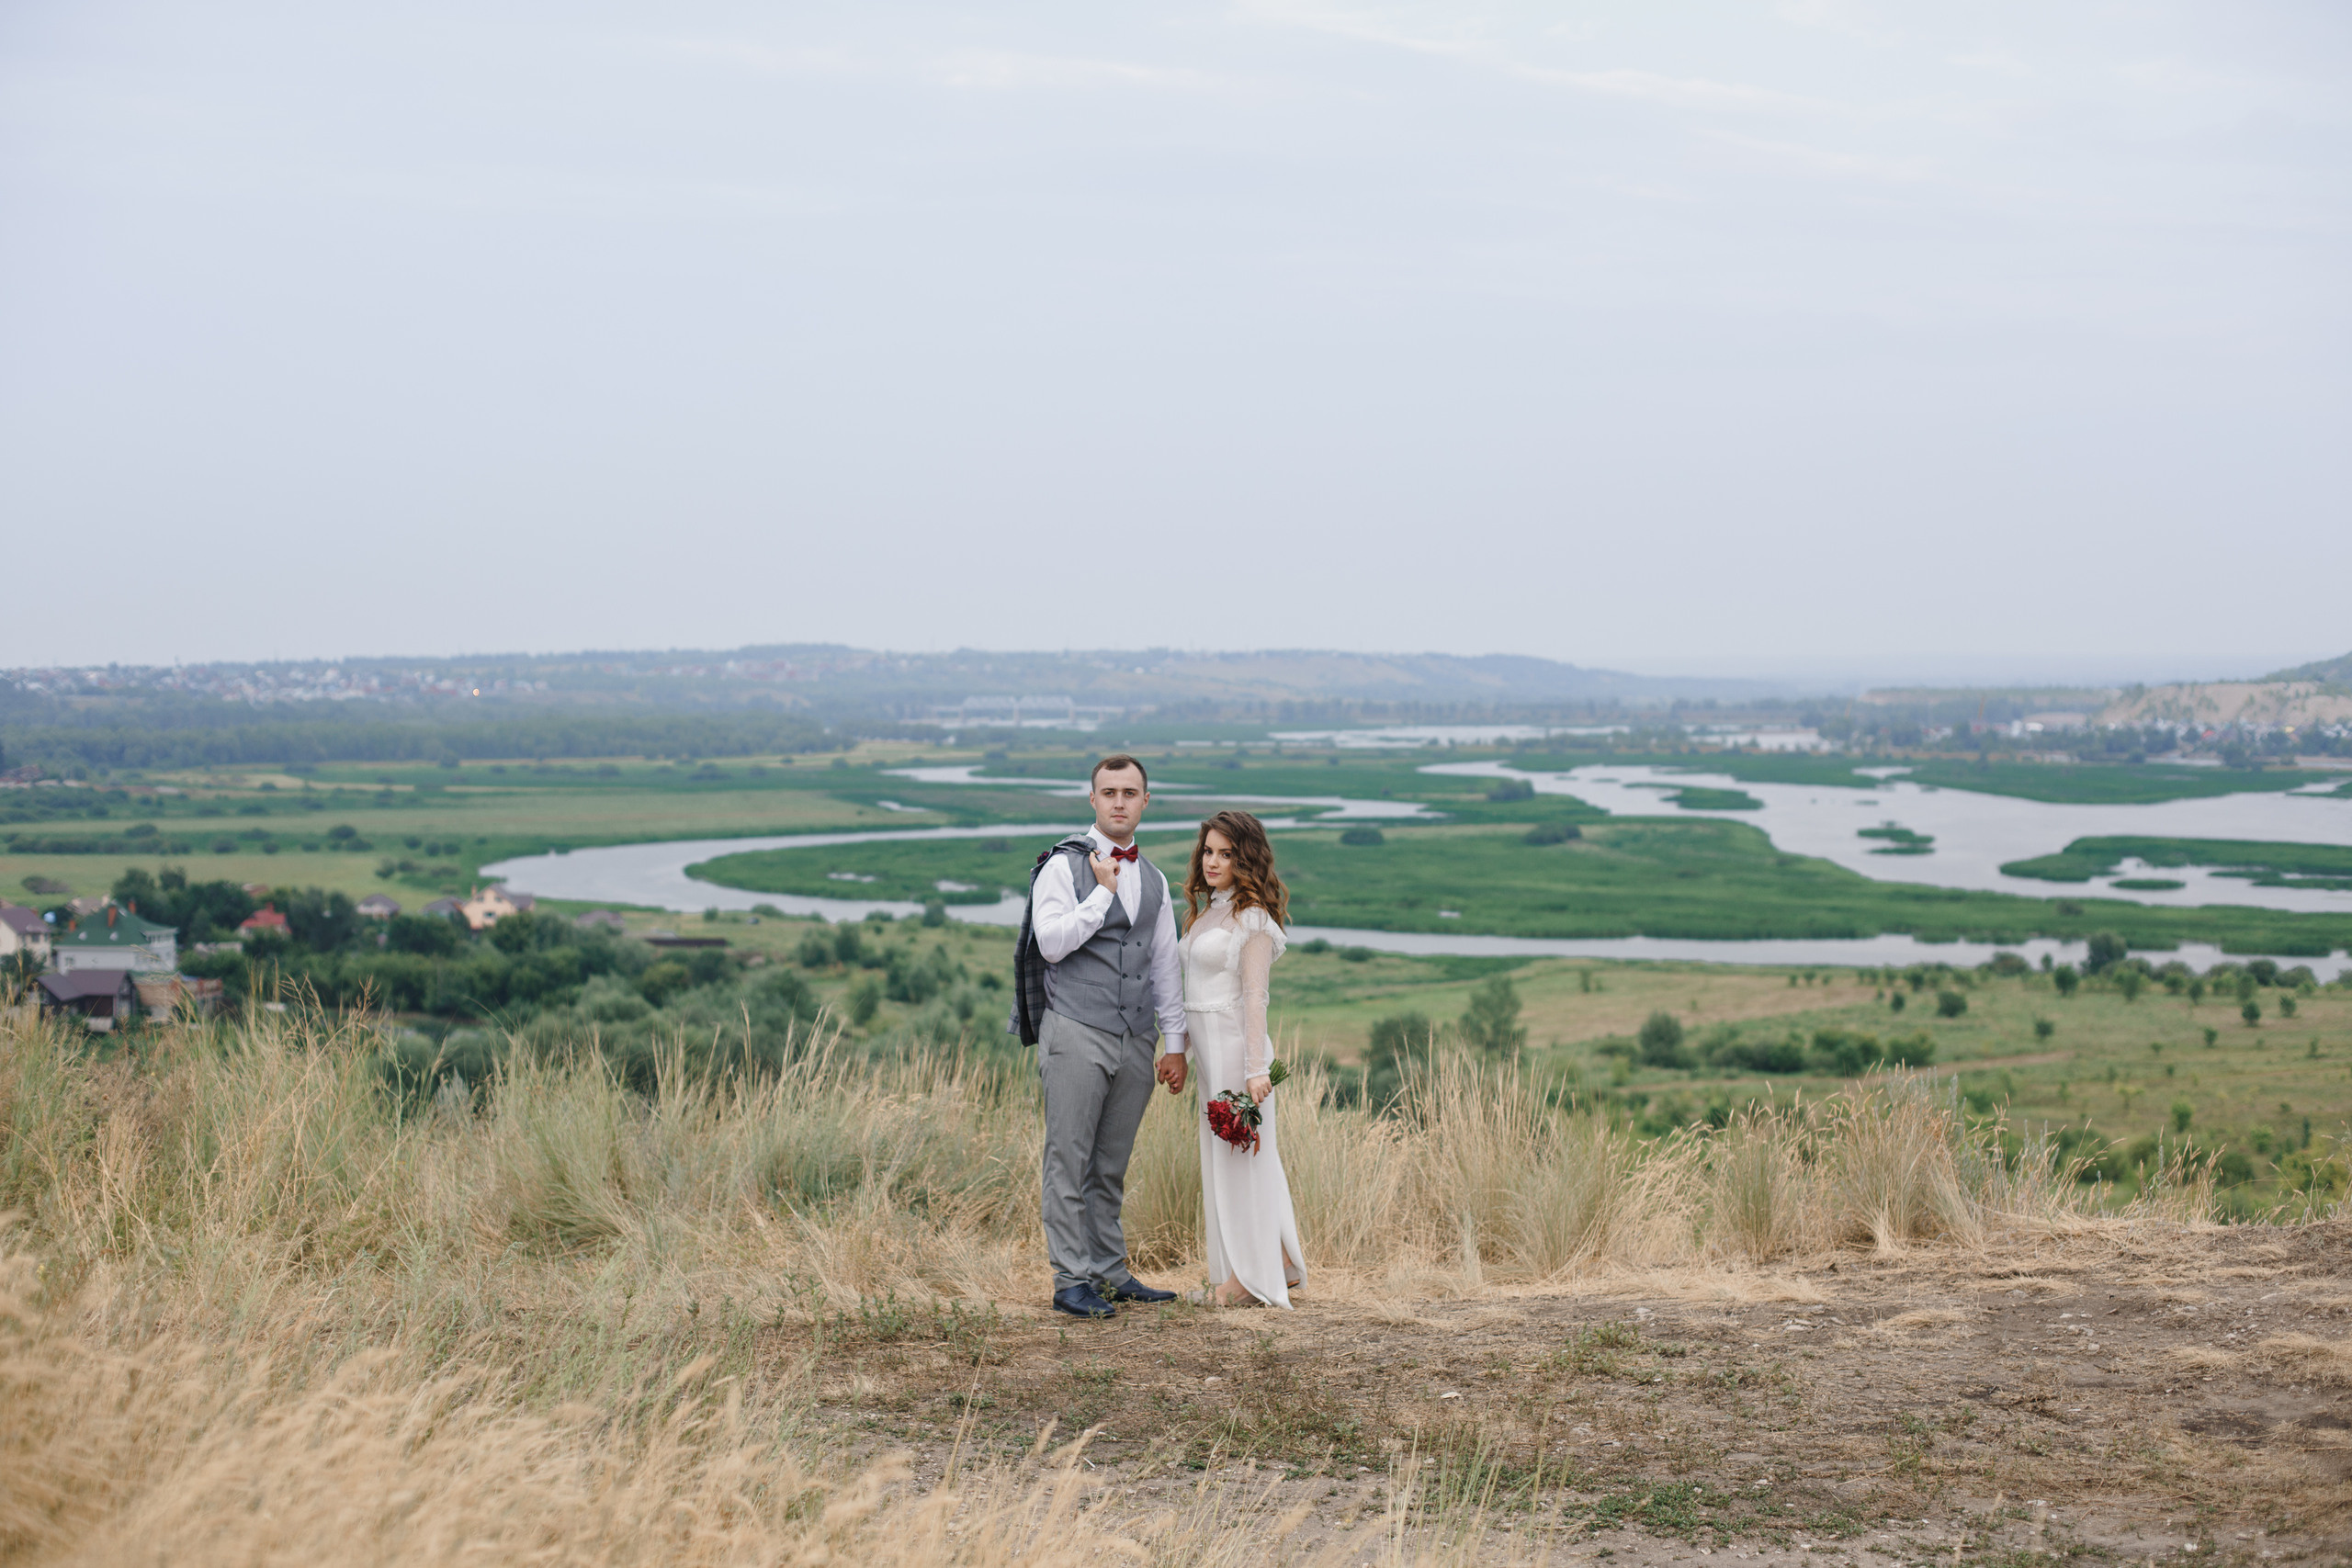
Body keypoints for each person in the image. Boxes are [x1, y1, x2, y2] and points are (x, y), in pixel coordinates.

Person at [1025, 754, 1191, 1319]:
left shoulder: (1157, 878)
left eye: (1130, 792)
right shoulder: (1062, 866)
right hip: (1074, 1027)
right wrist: (1099, 894)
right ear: (1092, 800)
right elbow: (1050, 944)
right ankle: (1070, 1280)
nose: (1119, 801)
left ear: (1146, 802)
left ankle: (1110, 1272)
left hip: (1136, 1037)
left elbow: (1164, 963)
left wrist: (1175, 1042)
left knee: (1111, 1162)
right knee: (1067, 1158)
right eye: (1108, 792)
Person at [1180, 810, 1306, 1308]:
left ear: (1245, 858)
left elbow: (1255, 997)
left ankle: (1245, 1280)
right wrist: (1181, 1049)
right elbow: (1196, 989)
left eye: (1226, 854)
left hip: (1237, 1052)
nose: (1213, 861)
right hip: (1209, 1054)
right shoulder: (1208, 909)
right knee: (1233, 1160)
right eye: (1208, 851)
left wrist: (1255, 1070)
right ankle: (1277, 1261)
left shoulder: (1253, 917)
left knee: (1243, 1161)